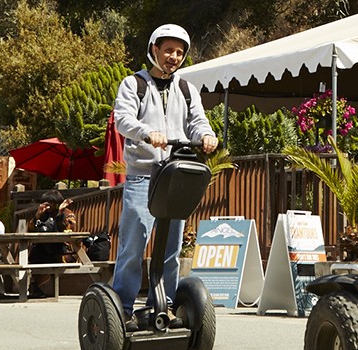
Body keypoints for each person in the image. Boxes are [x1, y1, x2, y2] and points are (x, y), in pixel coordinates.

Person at [110, 24, 218, 328]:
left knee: (171, 248)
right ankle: (125, 309)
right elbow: (123, 119)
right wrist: (147, 133)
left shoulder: (186, 88)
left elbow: (198, 122)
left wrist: (207, 136)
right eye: (168, 50)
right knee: (133, 245)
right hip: (143, 176)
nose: (174, 57)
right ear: (154, 49)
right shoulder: (134, 85)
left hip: (175, 176)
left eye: (179, 52)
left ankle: (165, 305)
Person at [27, 190, 77, 298]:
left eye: (51, 202)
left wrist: (60, 214)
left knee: (47, 255)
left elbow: (67, 231)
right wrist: (37, 216)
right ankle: (35, 286)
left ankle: (37, 286)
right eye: (45, 202)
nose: (48, 205)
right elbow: (30, 230)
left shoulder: (68, 214)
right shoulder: (42, 214)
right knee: (36, 253)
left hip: (62, 249)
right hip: (44, 247)